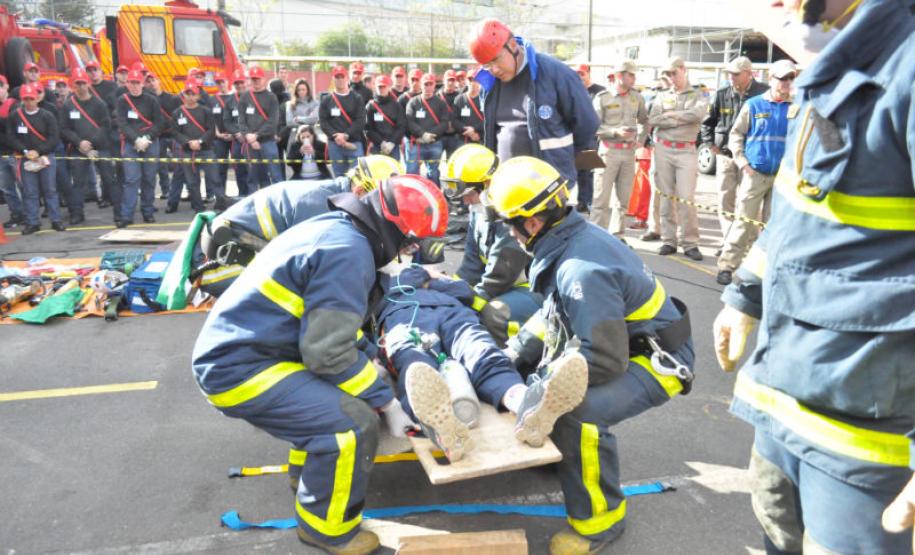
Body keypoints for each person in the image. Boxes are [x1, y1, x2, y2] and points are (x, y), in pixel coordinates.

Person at [714, 1, 915, 553]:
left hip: (864, 436)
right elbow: (799, 206)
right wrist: (746, 295)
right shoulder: (837, 59)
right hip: (783, 395)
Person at [191, 175, 448, 555]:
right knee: (351, 424)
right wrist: (387, 402)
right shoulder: (349, 252)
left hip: (258, 349)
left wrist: (369, 356)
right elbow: (326, 352)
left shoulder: (337, 228)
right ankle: (328, 531)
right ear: (395, 232)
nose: (407, 253)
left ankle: (311, 480)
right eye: (410, 244)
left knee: (333, 401)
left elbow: (326, 323)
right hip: (242, 368)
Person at [486, 156, 694, 555]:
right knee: (534, 373)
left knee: (578, 413)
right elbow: (553, 318)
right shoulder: (566, 239)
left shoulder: (581, 268)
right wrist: (511, 355)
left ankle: (599, 522)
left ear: (532, 222)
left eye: (509, 224)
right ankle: (561, 457)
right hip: (622, 346)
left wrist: (543, 393)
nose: (508, 234)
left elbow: (603, 358)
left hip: (655, 360)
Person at [375, 265, 587, 463]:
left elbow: (465, 292)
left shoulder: (393, 286)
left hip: (451, 314)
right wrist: (427, 276)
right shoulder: (383, 282)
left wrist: (429, 279)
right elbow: (412, 280)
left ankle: (526, 404)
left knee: (483, 354)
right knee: (416, 365)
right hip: (406, 320)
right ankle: (442, 429)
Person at [183, 154, 402, 300]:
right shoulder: (320, 207)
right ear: (361, 191)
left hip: (233, 253)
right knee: (307, 301)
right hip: (218, 268)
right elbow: (315, 270)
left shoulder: (333, 195)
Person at [469, 18, 599, 191]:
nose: (494, 69)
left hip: (550, 187)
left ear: (513, 45)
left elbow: (587, 124)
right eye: (487, 65)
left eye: (496, 60)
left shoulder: (554, 73)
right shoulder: (489, 83)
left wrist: (563, 161)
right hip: (508, 186)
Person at [442, 143, 541, 346]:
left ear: (487, 184)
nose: (466, 201)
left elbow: (501, 273)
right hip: (503, 285)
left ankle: (512, 360)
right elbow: (471, 262)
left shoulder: (510, 214)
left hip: (531, 288)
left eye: (469, 193)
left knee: (492, 314)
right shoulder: (479, 212)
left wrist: (469, 302)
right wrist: (452, 291)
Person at [715, 59, 795, 286]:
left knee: (774, 225)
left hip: (783, 177)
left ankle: (765, 271)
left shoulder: (797, 107)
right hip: (755, 173)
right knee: (743, 222)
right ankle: (727, 266)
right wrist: (743, 164)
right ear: (771, 79)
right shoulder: (754, 104)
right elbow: (736, 135)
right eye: (782, 78)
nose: (787, 83)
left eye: (790, 78)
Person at [700, 56, 769, 247]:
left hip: (750, 158)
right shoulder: (722, 93)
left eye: (736, 74)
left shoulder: (764, 93)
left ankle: (750, 243)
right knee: (725, 199)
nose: (732, 77)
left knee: (749, 203)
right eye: (729, 73)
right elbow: (708, 122)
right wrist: (709, 143)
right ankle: (728, 242)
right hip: (725, 156)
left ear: (749, 73)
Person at [647, 56, 708, 261]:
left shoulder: (698, 94)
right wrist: (678, 117)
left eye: (674, 72)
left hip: (686, 150)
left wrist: (671, 116)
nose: (671, 77)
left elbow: (697, 115)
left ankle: (690, 242)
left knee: (686, 198)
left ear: (684, 69)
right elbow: (653, 119)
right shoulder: (662, 95)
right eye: (668, 74)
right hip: (664, 148)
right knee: (666, 196)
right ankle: (668, 240)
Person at [590, 60, 648, 239]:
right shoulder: (603, 98)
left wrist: (641, 140)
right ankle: (595, 238)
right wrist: (615, 132)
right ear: (619, 76)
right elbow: (593, 127)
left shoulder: (637, 97)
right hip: (608, 152)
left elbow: (645, 120)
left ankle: (617, 236)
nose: (634, 78)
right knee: (601, 200)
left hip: (629, 153)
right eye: (630, 74)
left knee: (623, 200)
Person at [59, 69, 117, 226]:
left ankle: (119, 214)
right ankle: (77, 214)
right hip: (78, 149)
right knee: (78, 184)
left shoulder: (99, 104)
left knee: (109, 180)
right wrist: (80, 143)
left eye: (83, 83)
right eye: (77, 83)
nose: (81, 86)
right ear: (73, 85)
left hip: (100, 147)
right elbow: (64, 128)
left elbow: (106, 126)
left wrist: (91, 143)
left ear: (88, 83)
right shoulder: (68, 105)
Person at [5, 83, 65, 234]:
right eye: (26, 99)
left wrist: (38, 151)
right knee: (30, 192)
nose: (29, 102)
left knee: (50, 190)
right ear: (22, 99)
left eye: (31, 99)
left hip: (45, 157)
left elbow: (54, 137)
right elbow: (11, 137)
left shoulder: (47, 116)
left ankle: (55, 220)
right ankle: (33, 222)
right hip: (26, 158)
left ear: (37, 98)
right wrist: (25, 151)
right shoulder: (15, 116)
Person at [115, 69, 164, 227]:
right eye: (131, 82)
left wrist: (147, 138)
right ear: (127, 84)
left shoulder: (152, 100)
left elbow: (159, 123)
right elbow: (122, 123)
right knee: (131, 179)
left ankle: (147, 212)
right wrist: (135, 139)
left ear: (142, 84)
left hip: (150, 143)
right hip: (131, 143)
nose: (135, 86)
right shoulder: (122, 101)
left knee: (149, 179)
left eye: (137, 82)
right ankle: (126, 215)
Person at [170, 81, 226, 214]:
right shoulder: (177, 113)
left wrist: (200, 142)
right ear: (183, 95)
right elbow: (175, 132)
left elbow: (211, 130)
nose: (190, 97)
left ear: (198, 96)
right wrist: (188, 142)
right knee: (192, 181)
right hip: (188, 151)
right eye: (187, 93)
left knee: (214, 178)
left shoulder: (206, 111)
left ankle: (221, 204)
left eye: (192, 94)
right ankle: (198, 207)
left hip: (206, 150)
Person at [239, 66, 284, 189]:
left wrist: (256, 136)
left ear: (263, 79)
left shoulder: (271, 97)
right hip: (250, 143)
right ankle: (253, 204)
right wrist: (248, 136)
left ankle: (278, 203)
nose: (256, 81)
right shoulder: (244, 97)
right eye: (253, 79)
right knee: (252, 177)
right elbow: (241, 120)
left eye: (258, 79)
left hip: (268, 142)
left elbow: (272, 121)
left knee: (275, 175)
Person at [319, 65, 366, 178]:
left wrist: (346, 135)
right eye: (337, 77)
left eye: (342, 77)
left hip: (354, 142)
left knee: (357, 177)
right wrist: (335, 136)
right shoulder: (326, 99)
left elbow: (360, 120)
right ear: (333, 79)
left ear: (347, 78)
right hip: (335, 144)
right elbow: (323, 122)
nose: (340, 79)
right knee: (339, 177)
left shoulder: (357, 98)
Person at [572, 63, 607, 213]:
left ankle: (590, 202)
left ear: (589, 74)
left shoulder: (599, 92)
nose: (580, 77)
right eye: (577, 74)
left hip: (592, 137)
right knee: (580, 171)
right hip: (577, 136)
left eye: (582, 74)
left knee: (591, 172)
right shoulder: (574, 90)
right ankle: (582, 201)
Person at [404, 73, 448, 186]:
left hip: (434, 143)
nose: (428, 87)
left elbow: (444, 123)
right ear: (421, 85)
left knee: (433, 174)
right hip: (416, 143)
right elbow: (409, 121)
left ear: (434, 86)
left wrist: (431, 135)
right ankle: (412, 199)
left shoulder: (440, 103)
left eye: (430, 84)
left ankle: (435, 199)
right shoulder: (413, 102)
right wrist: (422, 134)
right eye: (425, 84)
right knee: (412, 173)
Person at [0, 75, 24, 229]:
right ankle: (16, 213)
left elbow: (13, 128)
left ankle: (30, 214)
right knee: (7, 188)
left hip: (14, 152)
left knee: (23, 185)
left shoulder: (14, 105)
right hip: (1, 153)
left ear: (5, 88)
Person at [364, 74, 405, 161]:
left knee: (394, 174)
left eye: (384, 86)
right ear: (375, 87)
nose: (382, 89)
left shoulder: (396, 105)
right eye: (379, 87)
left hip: (393, 147)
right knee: (377, 173)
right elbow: (367, 128)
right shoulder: (370, 106)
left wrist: (392, 142)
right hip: (376, 146)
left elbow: (401, 126)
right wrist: (381, 142)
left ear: (389, 87)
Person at [224, 69, 250, 197]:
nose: (240, 85)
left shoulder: (254, 97)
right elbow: (227, 121)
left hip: (252, 140)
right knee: (239, 169)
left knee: (253, 169)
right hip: (237, 141)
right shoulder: (229, 101)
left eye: (242, 82)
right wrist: (236, 133)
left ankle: (254, 196)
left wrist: (246, 134)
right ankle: (242, 195)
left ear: (246, 82)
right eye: (237, 83)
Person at [453, 69, 484, 144]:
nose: (473, 83)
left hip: (481, 138)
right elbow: (454, 120)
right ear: (466, 82)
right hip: (464, 139)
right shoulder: (459, 99)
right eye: (470, 80)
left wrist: (474, 130)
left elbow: (489, 119)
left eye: (476, 80)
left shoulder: (485, 99)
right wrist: (469, 132)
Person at [437, 69, 463, 159]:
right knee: (434, 166)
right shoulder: (436, 96)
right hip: (439, 137)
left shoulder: (460, 97)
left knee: (452, 164)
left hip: (455, 136)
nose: (450, 83)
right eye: (448, 80)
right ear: (444, 80)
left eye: (452, 80)